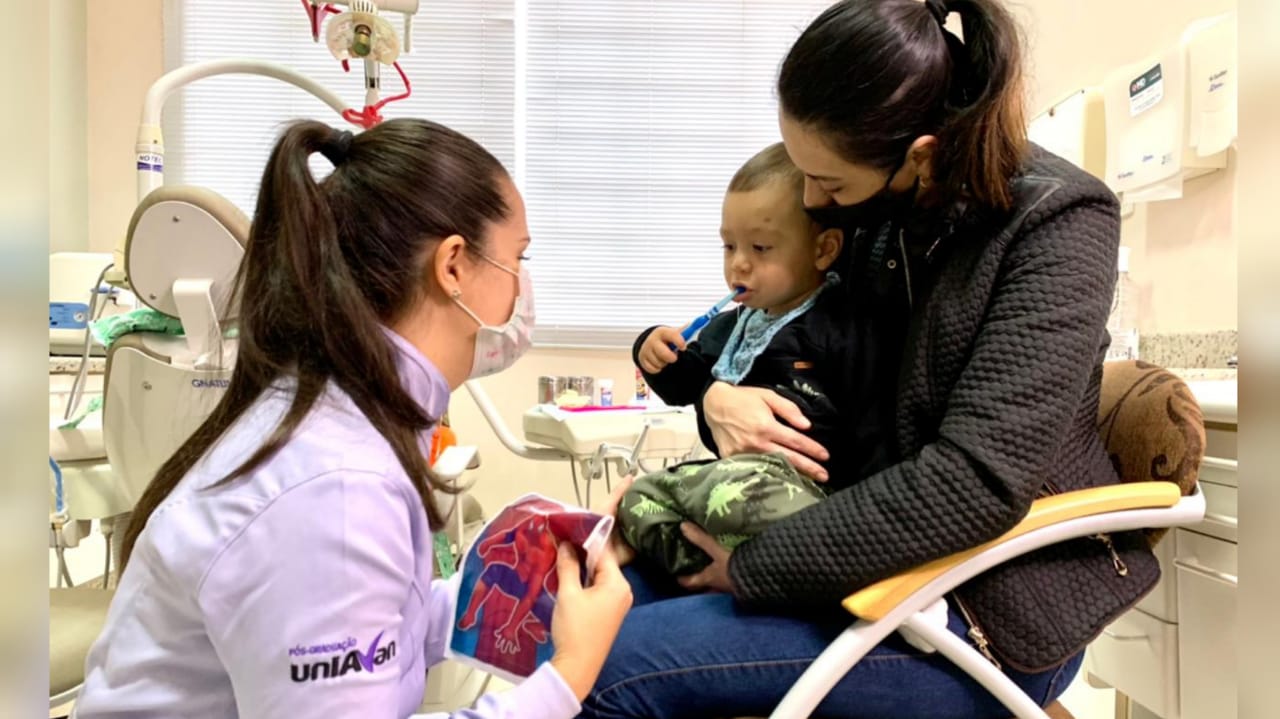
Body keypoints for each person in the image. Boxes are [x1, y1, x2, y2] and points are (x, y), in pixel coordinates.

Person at [582, 1, 1138, 717]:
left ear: (922, 155)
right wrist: (710, 395)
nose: (815, 203)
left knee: (603, 668)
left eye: (831, 186)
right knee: (578, 610)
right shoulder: (885, 216)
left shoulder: (1057, 225)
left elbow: (972, 482)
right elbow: (778, 341)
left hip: (980, 610)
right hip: (859, 556)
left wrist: (755, 566)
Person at [74, 118, 632, 719]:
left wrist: (520, 580)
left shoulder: (343, 418)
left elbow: (377, 626)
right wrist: (568, 678)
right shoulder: (334, 489)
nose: (522, 290)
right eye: (517, 259)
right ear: (453, 267)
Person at [621, 142, 887, 576]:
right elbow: (685, 386)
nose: (738, 266)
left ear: (824, 250)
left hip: (813, 495)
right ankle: (698, 568)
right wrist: (653, 348)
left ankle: (773, 567)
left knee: (733, 494)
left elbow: (873, 420)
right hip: (732, 479)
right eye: (729, 247)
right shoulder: (730, 326)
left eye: (760, 248)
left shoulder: (840, 326)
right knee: (638, 496)